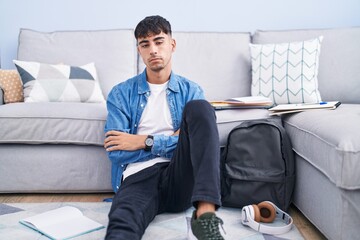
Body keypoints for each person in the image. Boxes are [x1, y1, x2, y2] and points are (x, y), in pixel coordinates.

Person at [104, 15, 224, 240]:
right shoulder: (120, 94)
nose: (153, 50)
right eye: (145, 44)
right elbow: (117, 152)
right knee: (122, 222)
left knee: (201, 108)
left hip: (179, 175)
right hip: (138, 176)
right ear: (139, 50)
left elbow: (197, 145)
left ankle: (206, 217)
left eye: (159, 42)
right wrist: (174, 139)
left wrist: (142, 140)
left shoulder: (191, 91)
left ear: (172, 44)